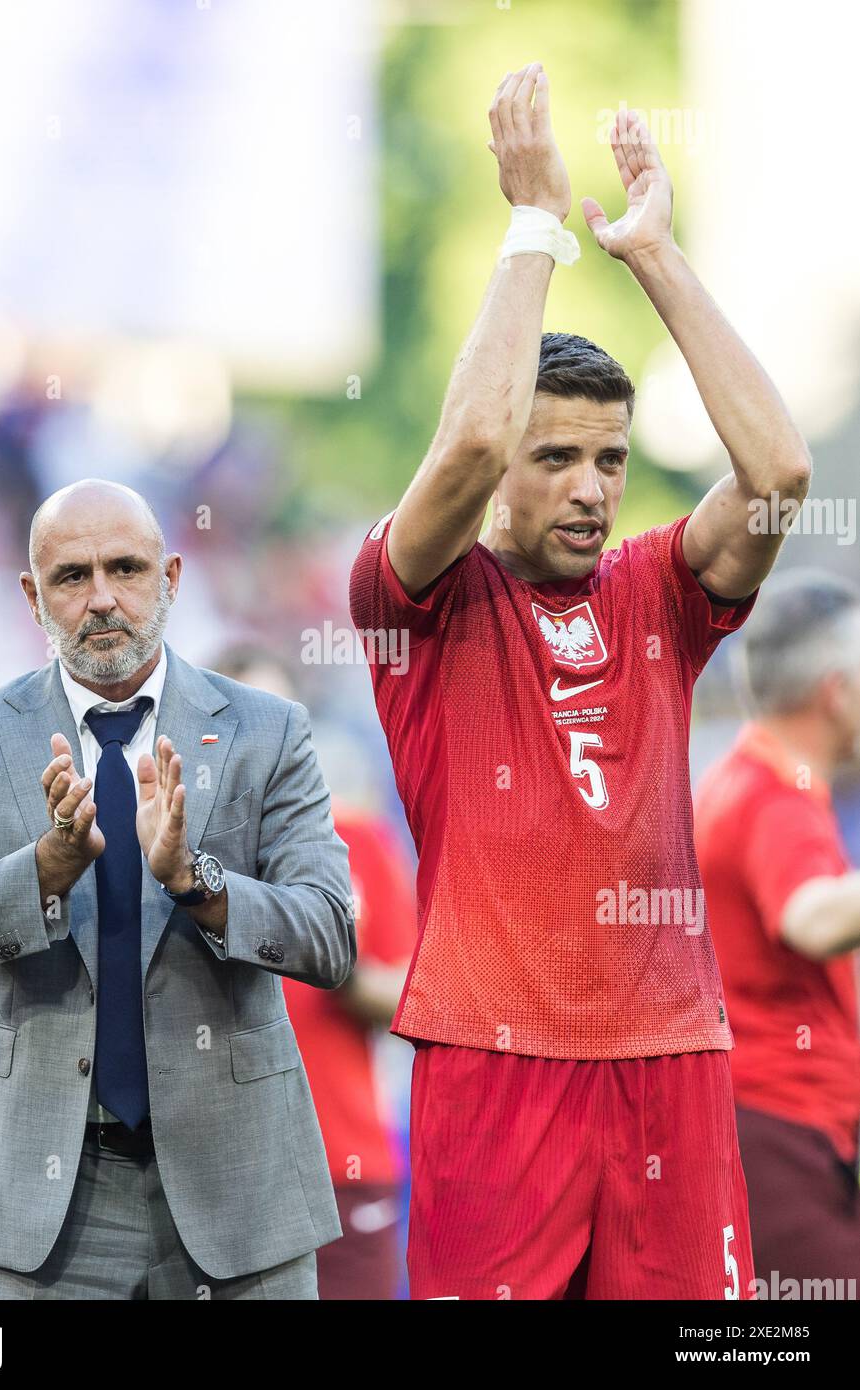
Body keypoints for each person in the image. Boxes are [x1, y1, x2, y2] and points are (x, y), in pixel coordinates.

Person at [348, 63, 812, 1299]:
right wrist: (534, 230)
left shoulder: (659, 587)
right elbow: (473, 440)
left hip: (672, 1054)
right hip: (493, 1059)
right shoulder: (413, 595)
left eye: (608, 458)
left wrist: (655, 257)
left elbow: (777, 474)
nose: (591, 487)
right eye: (557, 458)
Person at [0, 480, 354, 1300]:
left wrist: (198, 883)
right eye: (72, 577)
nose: (103, 598)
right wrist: (46, 867)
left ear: (174, 576)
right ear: (30, 595)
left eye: (127, 568)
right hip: (44, 1202)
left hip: (237, 1185)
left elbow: (328, 935)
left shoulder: (268, 729)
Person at [216, 642, 417, 1300]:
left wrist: (342, 969)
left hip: (342, 1166)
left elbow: (415, 995)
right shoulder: (170, 860)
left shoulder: (356, 841)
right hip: (217, 1179)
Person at [695, 570, 860, 1297]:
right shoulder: (775, 799)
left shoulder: (745, 775)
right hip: (776, 1130)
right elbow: (811, 919)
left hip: (768, 1126)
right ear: (836, 692)